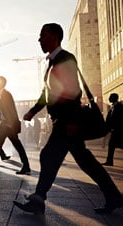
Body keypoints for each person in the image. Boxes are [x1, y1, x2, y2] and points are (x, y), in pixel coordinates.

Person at [13, 23, 123, 215]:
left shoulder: (65, 58)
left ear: (54, 36)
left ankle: (38, 200)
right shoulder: (52, 63)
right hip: (63, 121)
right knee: (84, 161)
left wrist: (72, 121)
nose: (39, 39)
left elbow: (74, 90)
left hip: (66, 121)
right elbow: (46, 95)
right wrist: (32, 111)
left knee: (49, 156)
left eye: (43, 35)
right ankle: (113, 197)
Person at [0, 76, 30, 175]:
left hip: (6, 126)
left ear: (0, 84)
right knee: (14, 145)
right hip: (7, 126)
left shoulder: (5, 95)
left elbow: (10, 111)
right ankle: (26, 166)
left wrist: (9, 124)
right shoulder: (3, 95)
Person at [102, 93, 123, 166]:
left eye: (110, 97)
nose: (109, 99)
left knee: (114, 145)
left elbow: (119, 119)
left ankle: (109, 161)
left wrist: (115, 127)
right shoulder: (112, 107)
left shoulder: (120, 107)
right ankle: (109, 161)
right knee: (112, 145)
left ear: (114, 98)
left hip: (118, 131)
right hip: (114, 131)